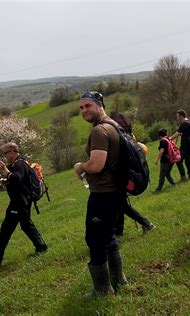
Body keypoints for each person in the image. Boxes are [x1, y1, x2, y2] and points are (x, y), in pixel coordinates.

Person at [73, 91, 127, 297]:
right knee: (108, 235)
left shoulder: (99, 131)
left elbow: (96, 165)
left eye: (88, 106)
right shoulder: (114, 124)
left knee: (95, 239)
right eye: (81, 107)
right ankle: (118, 279)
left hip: (103, 194)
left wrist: (80, 166)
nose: (84, 110)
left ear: (99, 105)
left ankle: (102, 289)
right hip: (115, 191)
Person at [0, 142, 48, 265]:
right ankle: (41, 247)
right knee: (26, 225)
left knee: (6, 228)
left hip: (19, 202)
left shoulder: (20, 164)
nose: (4, 155)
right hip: (22, 200)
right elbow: (16, 181)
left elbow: (17, 178)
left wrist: (5, 170)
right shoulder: (19, 163)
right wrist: (4, 181)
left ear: (12, 152)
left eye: (5, 153)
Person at [109, 111, 155, 235]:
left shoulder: (119, 138)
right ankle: (119, 231)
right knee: (120, 203)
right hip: (132, 175)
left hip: (123, 176)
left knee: (121, 204)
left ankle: (147, 223)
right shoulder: (130, 135)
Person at [169, 109, 190, 181]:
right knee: (188, 161)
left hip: (185, 146)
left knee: (178, 160)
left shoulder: (183, 123)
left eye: (177, 116)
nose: (177, 118)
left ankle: (183, 176)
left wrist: (169, 139)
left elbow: (177, 134)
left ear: (181, 116)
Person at [154, 128, 177, 192]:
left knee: (162, 175)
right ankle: (173, 184)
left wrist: (157, 160)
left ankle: (158, 189)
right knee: (167, 173)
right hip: (171, 159)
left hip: (165, 161)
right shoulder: (168, 139)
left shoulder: (162, 141)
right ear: (166, 133)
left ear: (159, 135)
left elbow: (161, 151)